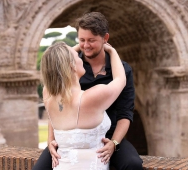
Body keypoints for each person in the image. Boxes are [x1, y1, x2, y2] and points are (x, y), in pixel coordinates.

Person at [34, 12, 143, 170]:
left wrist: (115, 143)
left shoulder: (122, 69)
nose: (85, 46)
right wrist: (51, 139)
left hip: (108, 135)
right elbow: (57, 102)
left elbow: (125, 112)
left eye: (91, 40)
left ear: (105, 38)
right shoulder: (71, 67)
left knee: (132, 164)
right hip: (70, 139)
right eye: (81, 40)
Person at [40, 41, 126, 169]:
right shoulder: (93, 96)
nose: (80, 57)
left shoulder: (48, 95)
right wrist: (111, 51)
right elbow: (121, 79)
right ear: (72, 65)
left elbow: (55, 66)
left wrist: (75, 49)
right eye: (76, 55)